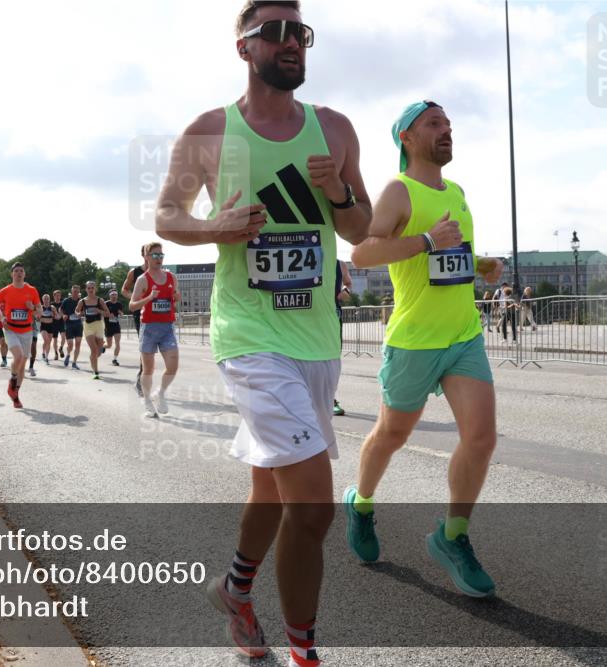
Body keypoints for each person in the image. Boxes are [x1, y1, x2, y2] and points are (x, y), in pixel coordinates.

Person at [154, 2, 373, 663]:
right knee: (312, 509)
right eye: (275, 33)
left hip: (315, 338)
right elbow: (167, 213)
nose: (291, 44)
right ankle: (305, 651)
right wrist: (212, 228)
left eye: (299, 33)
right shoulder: (209, 132)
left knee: (269, 488)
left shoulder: (334, 130)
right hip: (247, 334)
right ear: (244, 48)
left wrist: (337, 192)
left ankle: (236, 589)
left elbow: (361, 231)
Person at [346, 100, 504, 599]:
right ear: (406, 139)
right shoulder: (398, 191)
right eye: (434, 124)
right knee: (391, 434)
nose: (446, 130)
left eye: (449, 124)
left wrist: (481, 265)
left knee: (481, 439)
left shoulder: (456, 192)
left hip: (462, 336)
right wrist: (426, 242)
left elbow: (451, 253)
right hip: (414, 341)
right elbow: (363, 252)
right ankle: (361, 502)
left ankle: (452, 536)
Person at [130, 243, 180, 416]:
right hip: (149, 328)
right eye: (155, 255)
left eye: (161, 255)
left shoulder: (171, 277)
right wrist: (150, 297)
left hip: (167, 327)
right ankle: (146, 401)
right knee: (148, 370)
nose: (158, 258)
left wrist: (176, 296)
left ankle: (161, 393)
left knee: (173, 366)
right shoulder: (142, 279)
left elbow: (176, 296)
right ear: (146, 257)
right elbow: (132, 305)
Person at [0, 263, 42, 408]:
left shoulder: (32, 290)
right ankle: (12, 380)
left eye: (21, 271)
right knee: (19, 356)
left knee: (22, 365)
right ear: (12, 274)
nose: (19, 273)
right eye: (16, 271)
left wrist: (32, 308)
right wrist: (2, 318)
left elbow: (39, 311)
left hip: (27, 330)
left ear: (24, 274)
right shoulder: (4, 291)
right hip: (10, 329)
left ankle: (15, 394)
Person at [122, 247, 150, 396]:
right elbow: (124, 289)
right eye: (148, 253)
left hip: (157, 314)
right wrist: (134, 296)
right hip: (140, 313)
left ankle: (143, 375)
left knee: (151, 349)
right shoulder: (135, 272)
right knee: (145, 345)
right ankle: (141, 377)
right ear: (143, 255)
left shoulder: (160, 272)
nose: (151, 256)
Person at [77, 281, 112, 380]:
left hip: (99, 325)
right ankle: (96, 371)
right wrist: (79, 313)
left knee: (99, 352)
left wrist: (99, 311)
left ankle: (93, 359)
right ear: (86, 289)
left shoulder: (99, 300)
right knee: (94, 349)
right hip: (88, 326)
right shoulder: (82, 301)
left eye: (92, 288)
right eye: (89, 288)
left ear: (95, 289)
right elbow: (77, 310)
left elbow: (107, 313)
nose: (91, 290)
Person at [333, 260, 352, 416]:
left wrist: (346, 291)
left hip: (332, 315)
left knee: (332, 358)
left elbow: (348, 283)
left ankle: (330, 399)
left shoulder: (340, 264)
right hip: (302, 317)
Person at [60, 285, 84, 369]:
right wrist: (63, 315)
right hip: (69, 324)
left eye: (77, 292)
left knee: (78, 343)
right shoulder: (66, 301)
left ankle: (74, 362)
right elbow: (61, 309)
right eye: (74, 292)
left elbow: (84, 310)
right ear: (71, 292)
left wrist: (82, 313)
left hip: (78, 324)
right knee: (70, 344)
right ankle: (68, 355)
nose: (76, 293)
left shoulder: (81, 301)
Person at [104, 289, 124, 365]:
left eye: (115, 294)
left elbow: (121, 313)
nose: (114, 296)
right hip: (108, 326)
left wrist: (121, 313)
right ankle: (102, 346)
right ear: (110, 295)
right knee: (109, 345)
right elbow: (101, 313)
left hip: (116, 325)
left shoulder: (119, 304)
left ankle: (114, 359)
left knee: (117, 343)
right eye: (112, 295)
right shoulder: (106, 304)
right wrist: (108, 315)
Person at [39, 293, 55, 365]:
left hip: (51, 326)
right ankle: (46, 357)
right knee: (46, 340)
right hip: (43, 326)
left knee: (48, 342)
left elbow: (56, 316)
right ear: (42, 300)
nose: (46, 300)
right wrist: (39, 316)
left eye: (47, 299)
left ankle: (45, 354)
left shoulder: (52, 308)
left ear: (49, 299)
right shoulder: (41, 308)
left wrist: (54, 315)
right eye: (45, 299)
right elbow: (37, 317)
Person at [52, 289, 66, 358]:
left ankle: (61, 348)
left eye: (59, 295)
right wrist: (54, 316)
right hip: (54, 324)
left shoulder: (63, 303)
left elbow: (64, 312)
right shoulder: (51, 304)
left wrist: (60, 315)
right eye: (56, 295)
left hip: (61, 323)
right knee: (55, 339)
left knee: (63, 337)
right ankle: (56, 353)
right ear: (54, 296)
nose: (58, 297)